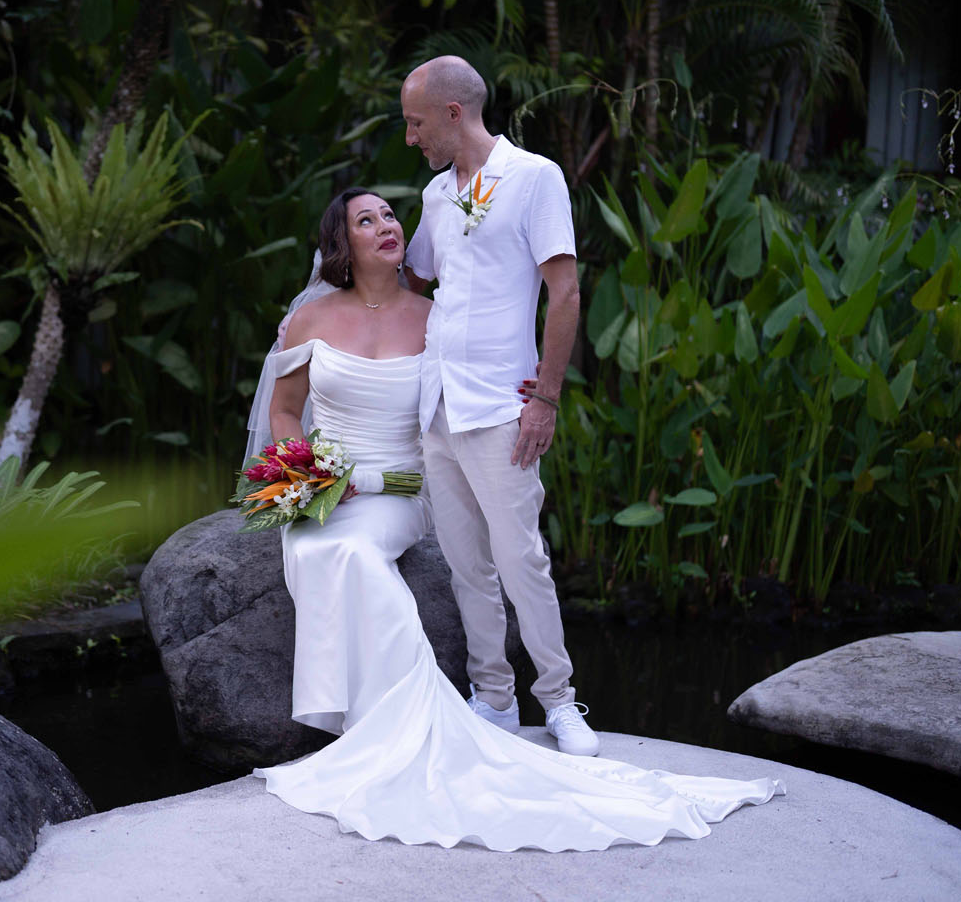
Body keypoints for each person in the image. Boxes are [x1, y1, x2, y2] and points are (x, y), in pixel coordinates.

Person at [248, 186, 783, 852]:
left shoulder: (433, 317)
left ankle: (410, 729)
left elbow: (481, 377)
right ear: (341, 244)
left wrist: (535, 395)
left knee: (356, 555)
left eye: (390, 214)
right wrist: (307, 472)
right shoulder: (309, 321)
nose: (387, 225)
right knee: (323, 548)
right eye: (367, 220)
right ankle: (371, 726)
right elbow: (284, 410)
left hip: (404, 488)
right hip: (326, 489)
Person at [400, 55, 596, 755]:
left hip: (502, 408)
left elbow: (564, 292)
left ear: (454, 113)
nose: (410, 136)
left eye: (416, 122)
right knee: (464, 564)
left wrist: (546, 396)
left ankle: (561, 702)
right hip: (438, 406)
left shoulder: (534, 178)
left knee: (521, 560)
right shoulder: (433, 196)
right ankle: (494, 698)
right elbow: (418, 281)